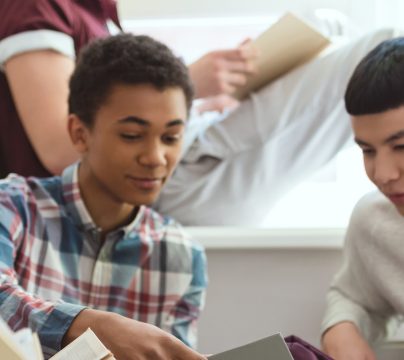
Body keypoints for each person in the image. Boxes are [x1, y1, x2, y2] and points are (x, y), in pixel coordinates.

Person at [0, 0, 398, 225]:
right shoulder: (36, 7)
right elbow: (61, 149)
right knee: (381, 46)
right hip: (163, 189)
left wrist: (204, 101)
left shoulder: (99, 12)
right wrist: (188, 86)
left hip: (180, 162)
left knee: (326, 23)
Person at [0, 33, 207, 360]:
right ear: (80, 133)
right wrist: (85, 327)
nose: (155, 157)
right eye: (132, 135)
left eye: (171, 137)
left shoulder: (183, 257)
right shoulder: (12, 205)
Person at [320, 37, 404, 360]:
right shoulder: (375, 219)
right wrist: (341, 328)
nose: (382, 174)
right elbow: (353, 295)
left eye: (401, 147)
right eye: (367, 150)